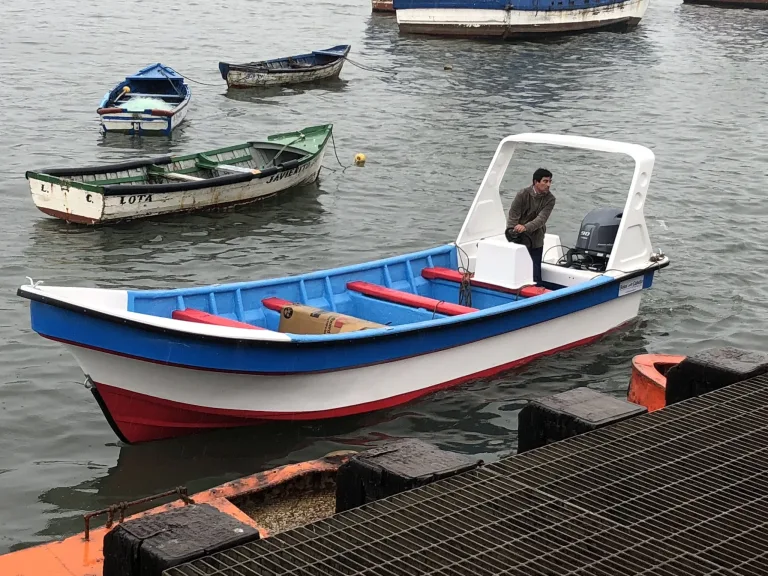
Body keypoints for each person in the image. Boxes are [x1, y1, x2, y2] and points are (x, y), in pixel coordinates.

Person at [506, 168, 556, 285]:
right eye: (545, 181)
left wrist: (525, 227)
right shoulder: (522, 194)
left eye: (550, 181)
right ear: (535, 182)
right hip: (518, 238)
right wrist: (512, 231)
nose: (548, 184)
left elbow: (541, 219)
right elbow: (513, 215)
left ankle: (537, 289)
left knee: (535, 272)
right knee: (516, 270)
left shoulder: (550, 199)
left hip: (536, 239)